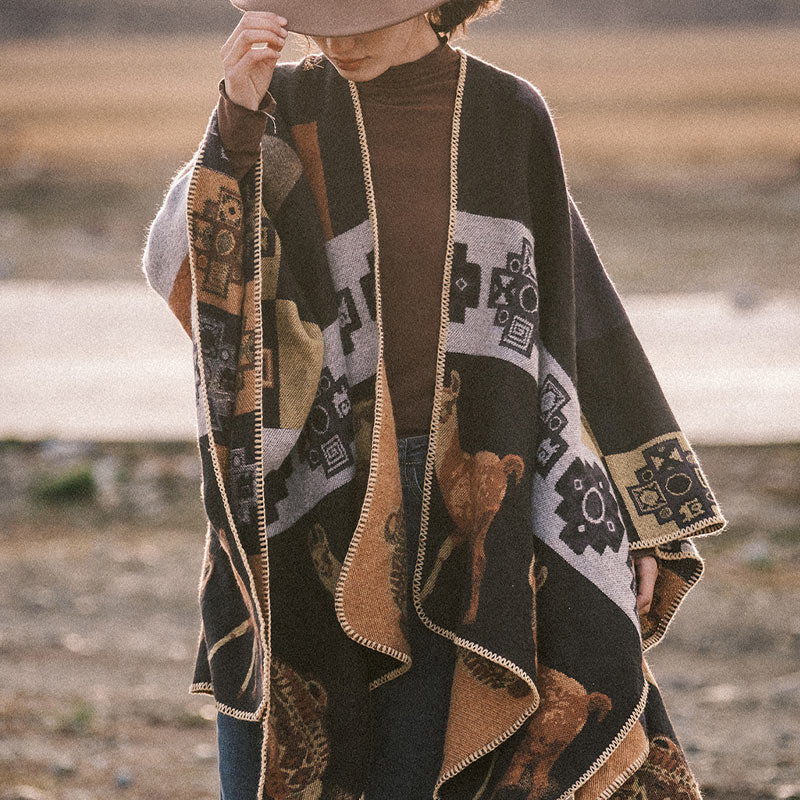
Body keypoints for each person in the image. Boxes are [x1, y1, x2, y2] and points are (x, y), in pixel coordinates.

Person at [142, 2, 727, 799]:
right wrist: (237, 120)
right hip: (309, 492)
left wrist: (636, 514)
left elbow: (572, 310)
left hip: (478, 500)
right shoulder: (276, 106)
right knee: (280, 753)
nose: (336, 40)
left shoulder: (504, 112)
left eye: (360, 19)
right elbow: (189, 279)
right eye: (321, 18)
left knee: (427, 769)